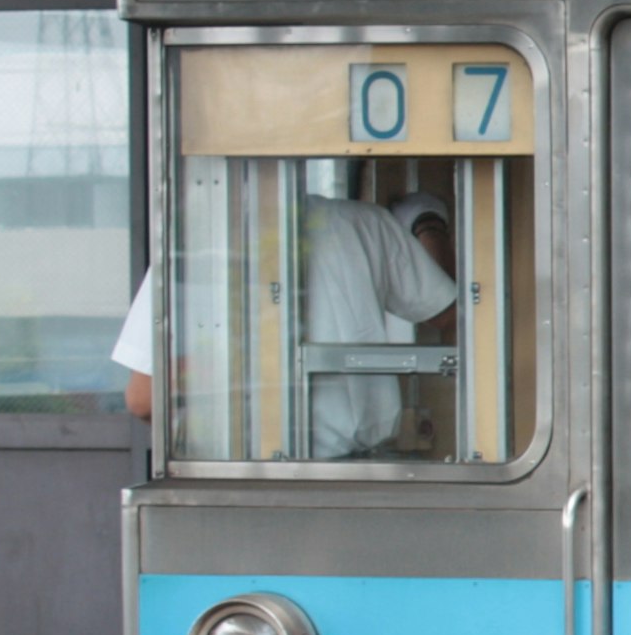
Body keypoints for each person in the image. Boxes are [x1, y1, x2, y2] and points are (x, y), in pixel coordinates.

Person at [106, 189, 459, 458]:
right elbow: (448, 313)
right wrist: (427, 224)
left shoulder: (192, 246)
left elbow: (143, 399)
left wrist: (228, 377)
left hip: (232, 474)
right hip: (363, 472)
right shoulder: (361, 223)